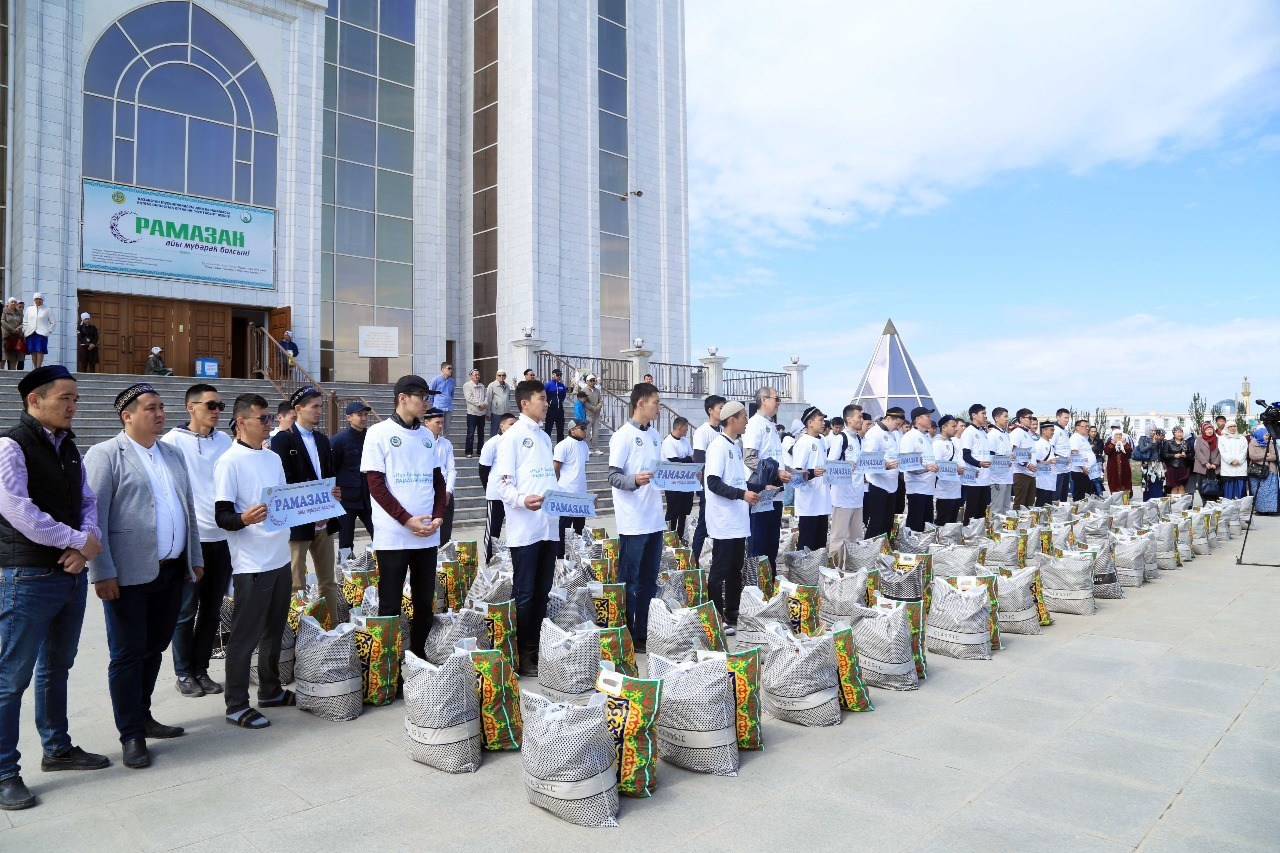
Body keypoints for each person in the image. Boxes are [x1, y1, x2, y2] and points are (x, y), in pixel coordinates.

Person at [0, 365, 108, 810]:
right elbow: (17, 509)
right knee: (10, 678)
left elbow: (87, 500)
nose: (73, 405)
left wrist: (84, 549)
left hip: (70, 573)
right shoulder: (11, 446)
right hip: (27, 576)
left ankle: (57, 748)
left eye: (76, 398)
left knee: (57, 665)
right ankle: (5, 771)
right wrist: (76, 540)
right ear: (34, 401)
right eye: (65, 398)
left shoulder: (68, 446)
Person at [84, 382, 202, 769]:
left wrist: (194, 557)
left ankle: (144, 715)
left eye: (161, 406)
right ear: (127, 415)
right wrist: (101, 571)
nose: (160, 413)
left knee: (155, 647)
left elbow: (187, 508)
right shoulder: (106, 455)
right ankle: (130, 734)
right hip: (128, 575)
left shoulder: (171, 453)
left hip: (171, 570)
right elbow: (94, 518)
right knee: (127, 654)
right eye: (150, 408)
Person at [213, 393, 295, 729]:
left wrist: (320, 505)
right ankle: (235, 704)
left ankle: (271, 690)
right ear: (242, 421)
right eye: (263, 419)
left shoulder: (272, 458)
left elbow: (285, 501)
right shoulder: (229, 461)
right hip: (252, 563)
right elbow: (222, 516)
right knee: (246, 635)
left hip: (279, 556)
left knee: (275, 630)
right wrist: (243, 519)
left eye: (270, 419)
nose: (270, 424)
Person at [361, 375, 447, 659]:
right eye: (421, 396)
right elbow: (376, 485)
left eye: (428, 397)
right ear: (402, 398)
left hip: (426, 535)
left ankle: (418, 657)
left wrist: (437, 516)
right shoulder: (378, 433)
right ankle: (387, 665)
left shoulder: (426, 435)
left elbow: (437, 481)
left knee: (424, 602)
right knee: (390, 603)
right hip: (394, 534)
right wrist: (406, 519)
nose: (426, 402)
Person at [162, 384, 234, 699]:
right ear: (191, 407)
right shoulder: (172, 442)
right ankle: (183, 672)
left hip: (224, 537)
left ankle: (201, 668)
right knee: (185, 610)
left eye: (220, 405)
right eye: (210, 405)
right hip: (193, 539)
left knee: (212, 611)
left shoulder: (225, 441)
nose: (217, 410)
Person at [494, 379, 558, 675]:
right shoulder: (513, 436)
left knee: (543, 591)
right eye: (542, 398)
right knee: (525, 593)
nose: (547, 403)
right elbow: (502, 484)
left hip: (549, 526)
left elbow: (548, 480)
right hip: (525, 528)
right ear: (524, 403)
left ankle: (535, 649)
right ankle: (521, 654)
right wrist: (521, 500)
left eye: (546, 399)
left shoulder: (544, 437)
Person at [270, 386, 341, 624]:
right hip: (299, 520)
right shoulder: (283, 439)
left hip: (325, 520)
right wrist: (313, 510)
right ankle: (297, 629)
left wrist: (330, 500)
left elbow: (329, 476)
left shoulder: (321, 439)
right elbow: (285, 480)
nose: (319, 411)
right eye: (314, 407)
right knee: (296, 582)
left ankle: (331, 627)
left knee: (328, 580)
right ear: (298, 409)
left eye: (320, 406)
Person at [609, 382, 666, 653]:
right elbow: (613, 476)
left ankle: (642, 633)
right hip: (633, 520)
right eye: (655, 402)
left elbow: (662, 470)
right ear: (640, 403)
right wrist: (634, 480)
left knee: (648, 580)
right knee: (628, 581)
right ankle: (625, 633)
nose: (658, 406)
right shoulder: (622, 436)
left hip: (655, 518)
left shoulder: (655, 435)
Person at [703, 400, 758, 635]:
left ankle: (732, 613)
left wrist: (761, 487)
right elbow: (713, 482)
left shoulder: (736, 446)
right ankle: (715, 615)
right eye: (744, 417)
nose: (747, 421)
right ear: (732, 420)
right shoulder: (718, 446)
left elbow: (738, 480)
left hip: (738, 520)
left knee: (737, 569)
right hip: (723, 520)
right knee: (720, 570)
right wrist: (741, 494)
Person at [743, 386, 792, 570]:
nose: (778, 402)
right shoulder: (755, 424)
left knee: (772, 543)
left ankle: (769, 583)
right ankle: (755, 587)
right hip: (761, 493)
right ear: (763, 400)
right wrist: (776, 474)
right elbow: (749, 458)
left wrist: (788, 471)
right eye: (776, 398)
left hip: (775, 493)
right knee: (758, 543)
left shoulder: (770, 424)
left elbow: (774, 458)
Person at [330, 401, 373, 565]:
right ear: (349, 417)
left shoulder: (371, 437)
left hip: (368, 497)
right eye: (359, 415)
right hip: (346, 499)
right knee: (345, 540)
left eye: (365, 415)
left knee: (379, 533)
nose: (363, 418)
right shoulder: (339, 440)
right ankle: (344, 572)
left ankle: (380, 566)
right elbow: (331, 468)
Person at [690, 395, 726, 565]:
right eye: (720, 407)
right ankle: (693, 561)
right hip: (710, 487)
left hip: (723, 486)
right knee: (704, 525)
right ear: (710, 410)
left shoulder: (723, 431)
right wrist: (705, 486)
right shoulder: (702, 432)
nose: (723, 411)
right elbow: (699, 461)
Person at [791, 406, 832, 549]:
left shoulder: (822, 441)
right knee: (806, 542)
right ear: (810, 423)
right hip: (809, 501)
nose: (823, 423)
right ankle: (802, 570)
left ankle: (816, 568)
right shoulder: (803, 442)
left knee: (820, 542)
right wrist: (812, 473)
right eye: (820, 420)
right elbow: (795, 474)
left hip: (822, 499)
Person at [828, 403, 866, 550]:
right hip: (842, 497)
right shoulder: (841, 439)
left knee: (856, 537)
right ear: (849, 419)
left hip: (857, 496)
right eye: (859, 417)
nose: (861, 420)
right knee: (838, 537)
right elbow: (830, 466)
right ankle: (834, 570)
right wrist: (848, 468)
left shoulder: (859, 440)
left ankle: (852, 568)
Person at [862, 406, 904, 537]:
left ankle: (884, 551)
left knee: (887, 523)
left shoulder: (893, 434)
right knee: (876, 522)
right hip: (878, 484)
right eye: (897, 424)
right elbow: (868, 459)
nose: (897, 427)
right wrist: (884, 465)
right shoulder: (874, 433)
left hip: (891, 484)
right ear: (889, 418)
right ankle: (870, 552)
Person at [481, 412, 517, 562]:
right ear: (502, 426)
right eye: (511, 424)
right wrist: (491, 488)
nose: (514, 427)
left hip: (514, 495)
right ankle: (489, 560)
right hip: (496, 495)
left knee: (514, 528)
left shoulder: (516, 442)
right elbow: (483, 469)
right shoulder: (493, 443)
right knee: (493, 530)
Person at [552, 418, 590, 555]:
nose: (585, 430)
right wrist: (555, 490)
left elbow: (580, 468)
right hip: (566, 492)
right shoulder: (563, 445)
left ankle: (577, 558)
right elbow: (555, 469)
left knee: (579, 529)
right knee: (564, 528)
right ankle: (560, 559)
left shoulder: (584, 446)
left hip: (581, 494)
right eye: (582, 428)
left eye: (585, 428)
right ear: (572, 430)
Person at [900, 406, 938, 532]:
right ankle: (912, 548)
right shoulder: (909, 437)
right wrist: (925, 467)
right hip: (917, 488)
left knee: (927, 525)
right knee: (916, 524)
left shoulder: (926, 437)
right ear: (918, 419)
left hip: (928, 488)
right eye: (927, 416)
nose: (930, 419)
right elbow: (906, 464)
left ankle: (924, 548)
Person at [424, 407, 457, 543]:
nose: (440, 426)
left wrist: (448, 491)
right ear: (426, 422)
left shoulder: (446, 444)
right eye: (437, 422)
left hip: (445, 491)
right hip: (428, 491)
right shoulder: (419, 442)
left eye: (442, 423)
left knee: (445, 530)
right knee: (428, 527)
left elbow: (451, 470)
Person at [661, 416, 695, 540]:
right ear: (680, 427)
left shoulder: (685, 441)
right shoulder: (668, 442)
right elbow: (675, 462)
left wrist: (686, 460)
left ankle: (681, 538)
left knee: (684, 512)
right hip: (673, 483)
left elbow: (692, 458)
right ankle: (668, 538)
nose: (687, 430)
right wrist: (687, 459)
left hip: (686, 482)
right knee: (673, 511)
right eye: (686, 427)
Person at [960, 404, 992, 522]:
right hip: (974, 478)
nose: (985, 416)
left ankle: (979, 535)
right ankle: (968, 535)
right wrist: (979, 464)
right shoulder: (969, 432)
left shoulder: (983, 432)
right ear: (974, 415)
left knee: (982, 511)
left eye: (985, 414)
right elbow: (966, 455)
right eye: (982, 413)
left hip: (985, 478)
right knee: (972, 510)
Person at [932, 415, 965, 523]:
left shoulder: (952, 442)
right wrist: (955, 469)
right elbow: (936, 466)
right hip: (944, 492)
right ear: (944, 427)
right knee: (943, 523)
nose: (956, 429)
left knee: (952, 523)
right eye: (953, 426)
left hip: (955, 490)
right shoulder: (937, 443)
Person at [984, 407, 1012, 514]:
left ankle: (1004, 529)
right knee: (997, 508)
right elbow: (990, 456)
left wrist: (1010, 457)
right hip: (998, 478)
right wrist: (1006, 458)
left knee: (1006, 508)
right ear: (996, 418)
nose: (1007, 419)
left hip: (1008, 476)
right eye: (1005, 416)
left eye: (1007, 416)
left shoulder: (1005, 434)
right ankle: (995, 530)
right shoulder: (992, 435)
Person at [1009, 408, 1038, 509]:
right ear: (1021, 419)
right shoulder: (1017, 432)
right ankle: (1016, 524)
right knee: (1020, 503)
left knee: (1029, 504)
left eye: (1032, 418)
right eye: (1029, 418)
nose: (1031, 420)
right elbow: (1013, 451)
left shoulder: (1028, 433)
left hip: (1031, 473)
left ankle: (1027, 524)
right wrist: (1027, 464)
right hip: (1021, 473)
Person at [1247, 426, 1278, 514]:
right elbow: (1252, 456)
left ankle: (1271, 510)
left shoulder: (1271, 443)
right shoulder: (1253, 442)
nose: (1267, 437)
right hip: (1257, 470)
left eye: (1268, 435)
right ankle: (1261, 510)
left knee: (1271, 491)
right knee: (1259, 491)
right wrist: (1266, 455)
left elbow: (1275, 456)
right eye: (1265, 435)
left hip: (1270, 470)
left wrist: (1264, 456)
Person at [1189, 421, 1221, 500]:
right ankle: (1205, 503)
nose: (1209, 431)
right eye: (1207, 429)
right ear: (1203, 431)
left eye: (1210, 429)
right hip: (1202, 467)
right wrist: (1205, 463)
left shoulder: (1218, 439)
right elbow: (1198, 452)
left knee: (1215, 486)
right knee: (1202, 486)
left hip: (1214, 467)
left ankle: (1214, 503)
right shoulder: (1199, 439)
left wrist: (1215, 464)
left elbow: (1220, 452)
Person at [21, 294, 55, 369]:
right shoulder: (29, 309)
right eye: (36, 299)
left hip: (42, 333)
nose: (38, 301)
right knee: (33, 351)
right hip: (31, 332)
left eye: (40, 299)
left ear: (43, 300)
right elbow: (25, 321)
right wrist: (24, 330)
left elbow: (53, 322)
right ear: (34, 300)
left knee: (40, 350)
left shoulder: (47, 309)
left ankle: (38, 368)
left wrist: (49, 331)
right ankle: (35, 368)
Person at [1066, 419, 1095, 499]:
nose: (1087, 428)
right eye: (1084, 426)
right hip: (1079, 470)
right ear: (1077, 427)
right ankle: (1078, 509)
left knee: (1085, 492)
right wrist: (1083, 467)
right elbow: (1074, 453)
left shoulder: (1083, 438)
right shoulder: (1075, 438)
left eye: (1087, 426)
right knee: (1079, 493)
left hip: (1086, 470)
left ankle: (1083, 508)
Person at [1218, 422, 1248, 499]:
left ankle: (1240, 509)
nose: (1233, 428)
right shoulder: (1222, 438)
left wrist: (1238, 460)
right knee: (1229, 492)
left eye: (1234, 426)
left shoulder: (1242, 438)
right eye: (1230, 426)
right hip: (1228, 468)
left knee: (1240, 492)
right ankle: (1229, 509)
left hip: (1240, 468)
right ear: (1227, 428)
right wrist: (1231, 460)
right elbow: (1222, 451)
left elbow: (1244, 451)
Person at [1033, 421, 1059, 506]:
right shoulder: (1039, 444)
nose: (1053, 432)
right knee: (1040, 505)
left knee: (1048, 506)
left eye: (1053, 430)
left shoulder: (1049, 445)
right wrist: (1049, 462)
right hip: (1042, 481)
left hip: (1050, 480)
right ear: (1044, 431)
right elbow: (1035, 462)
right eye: (1051, 430)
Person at [462, 369, 487, 457]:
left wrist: (485, 404)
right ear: (471, 376)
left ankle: (480, 451)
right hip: (472, 412)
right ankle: (469, 452)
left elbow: (486, 397)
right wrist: (480, 404)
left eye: (478, 374)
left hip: (482, 413)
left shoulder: (482, 386)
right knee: (471, 433)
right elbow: (469, 398)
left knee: (481, 433)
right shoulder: (467, 385)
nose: (477, 376)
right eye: (475, 375)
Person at [1103, 425, 1134, 497]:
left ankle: (1126, 498)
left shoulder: (1125, 443)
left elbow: (1130, 452)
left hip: (1124, 467)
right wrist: (1113, 443)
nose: (1118, 436)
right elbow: (1107, 452)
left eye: (1120, 435)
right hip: (1113, 467)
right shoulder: (1109, 443)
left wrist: (1125, 444)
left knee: (1126, 481)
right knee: (1114, 481)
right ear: (1113, 436)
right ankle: (1115, 498)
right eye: (1116, 435)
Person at [1161, 426, 1191, 496]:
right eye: (1177, 432)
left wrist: (1186, 455)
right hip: (1172, 467)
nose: (1180, 434)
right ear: (1173, 433)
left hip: (1183, 467)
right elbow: (1164, 455)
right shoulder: (1168, 443)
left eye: (1181, 432)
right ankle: (1174, 504)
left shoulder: (1186, 442)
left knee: (1182, 486)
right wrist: (1174, 455)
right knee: (1174, 486)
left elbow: (1192, 454)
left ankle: (1182, 504)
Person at [485, 370, 514, 438]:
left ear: (505, 376)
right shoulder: (491, 385)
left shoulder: (507, 386)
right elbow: (489, 400)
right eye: (499, 375)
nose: (501, 377)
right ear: (496, 376)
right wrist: (488, 413)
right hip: (496, 412)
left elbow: (508, 398)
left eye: (503, 375)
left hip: (506, 412)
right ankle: (493, 447)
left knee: (505, 431)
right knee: (494, 432)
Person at [1052, 408, 1072, 501]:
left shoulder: (1066, 431)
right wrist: (1060, 459)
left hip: (1066, 467)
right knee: (1057, 493)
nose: (1067, 420)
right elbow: (1051, 448)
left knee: (1064, 493)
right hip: (1057, 468)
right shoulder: (1054, 430)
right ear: (1058, 418)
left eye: (1068, 418)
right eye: (1065, 418)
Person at [429, 362, 455, 434]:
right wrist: (432, 404)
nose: (451, 370)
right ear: (442, 369)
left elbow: (452, 393)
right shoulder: (436, 379)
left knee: (447, 428)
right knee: (438, 426)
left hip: (448, 407)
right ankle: (436, 443)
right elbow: (431, 392)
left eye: (451, 369)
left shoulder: (451, 381)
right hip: (438, 406)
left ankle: (445, 444)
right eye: (449, 368)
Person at [1141, 428, 1167, 501]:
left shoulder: (1163, 442)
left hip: (1159, 465)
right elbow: (1142, 449)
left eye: (1163, 435)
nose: (1153, 432)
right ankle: (1147, 502)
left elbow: (1163, 454)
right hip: (1147, 464)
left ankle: (1158, 501)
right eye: (1151, 430)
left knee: (1158, 482)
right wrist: (1152, 443)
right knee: (1147, 483)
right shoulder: (1143, 439)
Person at [544, 369, 568, 444]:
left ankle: (560, 446)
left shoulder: (562, 385)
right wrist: (547, 403)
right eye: (557, 375)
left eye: (560, 375)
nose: (559, 377)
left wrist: (560, 402)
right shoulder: (548, 385)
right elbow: (544, 395)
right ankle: (546, 445)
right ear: (553, 375)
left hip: (559, 410)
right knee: (548, 429)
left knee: (560, 430)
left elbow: (563, 395)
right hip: (551, 410)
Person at [583, 375, 604, 454]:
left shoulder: (597, 391)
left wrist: (597, 408)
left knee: (596, 432)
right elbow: (584, 402)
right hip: (588, 414)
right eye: (591, 380)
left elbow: (601, 401)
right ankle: (586, 448)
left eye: (594, 380)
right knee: (587, 432)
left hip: (596, 415)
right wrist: (592, 408)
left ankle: (596, 448)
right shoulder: (584, 390)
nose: (592, 382)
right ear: (587, 381)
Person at [2, 298, 23, 371]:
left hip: (15, 337)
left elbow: (23, 323)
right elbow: (2, 321)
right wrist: (11, 329)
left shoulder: (19, 313)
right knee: (3, 356)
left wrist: (18, 329)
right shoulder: (4, 311)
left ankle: (12, 370)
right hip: (6, 336)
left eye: (15, 302)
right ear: (8, 303)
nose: (13, 303)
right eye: (12, 302)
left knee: (13, 355)